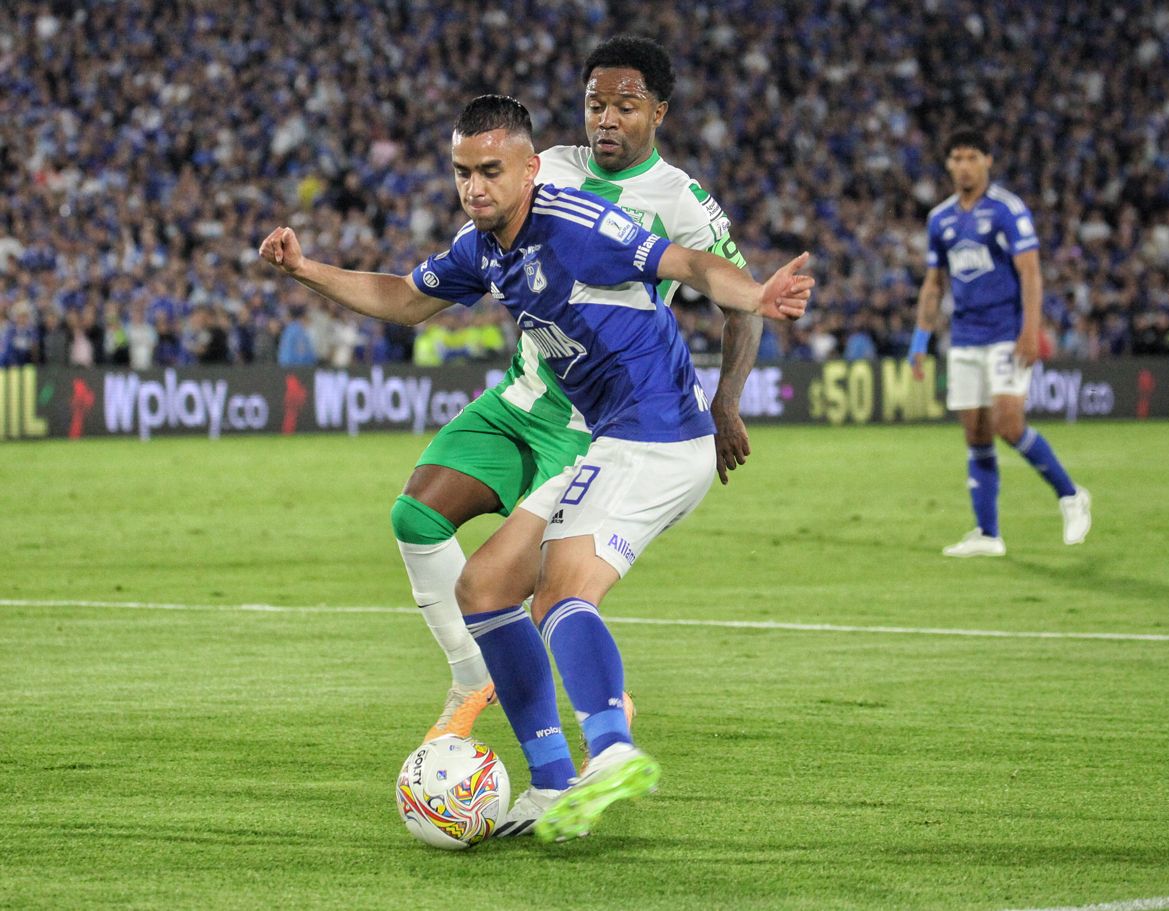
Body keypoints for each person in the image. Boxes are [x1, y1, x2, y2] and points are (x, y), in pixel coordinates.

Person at [259, 94, 811, 841]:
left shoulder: (579, 226)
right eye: (462, 172)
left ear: (530, 168)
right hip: (614, 435)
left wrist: (758, 293)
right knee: (484, 587)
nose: (474, 187)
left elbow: (684, 262)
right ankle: (552, 781)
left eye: (490, 171)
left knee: (559, 594)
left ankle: (610, 748)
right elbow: (403, 298)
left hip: (655, 432)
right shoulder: (482, 245)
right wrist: (305, 270)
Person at [386, 35, 764, 753]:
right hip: (527, 391)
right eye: (595, 105)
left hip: (604, 418)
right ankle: (527, 710)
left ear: (659, 111)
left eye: (625, 106)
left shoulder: (680, 200)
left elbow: (736, 300)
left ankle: (583, 736)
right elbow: (490, 253)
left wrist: (726, 400)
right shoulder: (545, 166)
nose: (606, 120)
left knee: (538, 589)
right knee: (434, 527)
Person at [912, 128, 1090, 557]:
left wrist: (1032, 331)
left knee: (1008, 424)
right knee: (975, 432)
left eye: (972, 157)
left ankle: (1070, 495)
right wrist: (919, 339)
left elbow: (1030, 272)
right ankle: (988, 535)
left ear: (988, 161)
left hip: (1006, 334)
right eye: (956, 158)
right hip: (965, 337)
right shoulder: (941, 219)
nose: (963, 165)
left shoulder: (1008, 210)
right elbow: (934, 284)